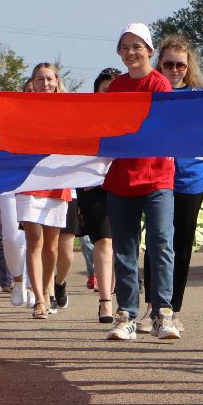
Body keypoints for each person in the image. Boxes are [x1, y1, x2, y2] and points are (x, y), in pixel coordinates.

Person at [102, 22, 177, 342]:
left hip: (157, 176)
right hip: (121, 179)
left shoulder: (159, 84)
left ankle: (162, 312)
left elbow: (162, 126)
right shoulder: (116, 87)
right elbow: (106, 127)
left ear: (150, 50)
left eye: (137, 46)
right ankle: (127, 314)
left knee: (161, 242)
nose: (131, 53)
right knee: (125, 248)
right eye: (125, 47)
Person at [157, 35, 203, 337]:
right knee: (158, 243)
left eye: (181, 64)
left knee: (181, 247)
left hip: (191, 178)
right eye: (169, 64)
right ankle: (153, 307)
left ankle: (173, 309)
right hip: (157, 177)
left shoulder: (200, 95)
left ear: (188, 65)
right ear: (160, 65)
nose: (175, 69)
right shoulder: (153, 92)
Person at [16, 62, 71, 318]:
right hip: (29, 180)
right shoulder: (22, 109)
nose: (45, 83)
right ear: (33, 82)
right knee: (33, 241)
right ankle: (38, 298)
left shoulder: (69, 110)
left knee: (52, 246)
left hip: (58, 182)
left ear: (57, 81)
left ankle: (48, 289)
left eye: (49, 79)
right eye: (40, 79)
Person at [74, 67, 120, 323]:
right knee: (103, 241)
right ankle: (105, 302)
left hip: (124, 184)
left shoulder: (130, 118)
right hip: (92, 187)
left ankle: (118, 292)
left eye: (115, 89)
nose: (110, 94)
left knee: (122, 242)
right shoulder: (85, 119)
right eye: (105, 90)